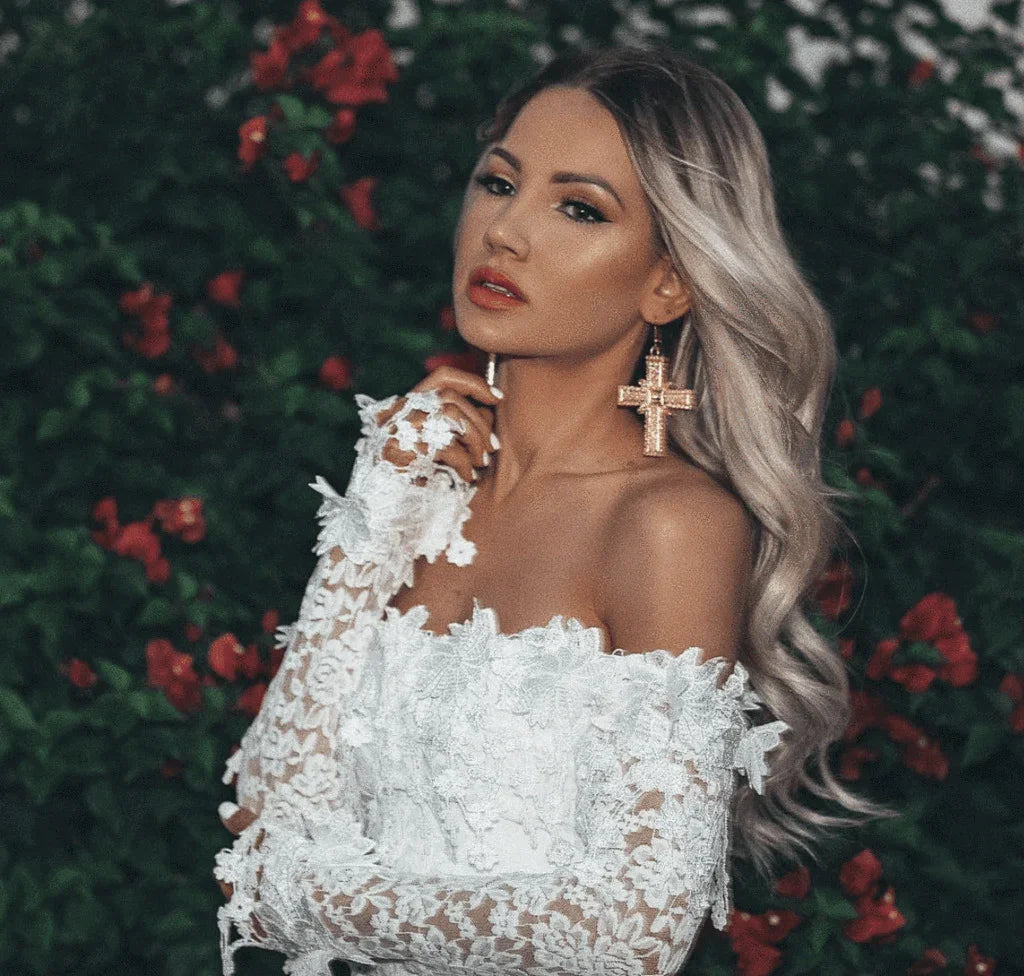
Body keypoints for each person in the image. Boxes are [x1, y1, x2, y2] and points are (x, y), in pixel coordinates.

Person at [213, 44, 895, 976]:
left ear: (670, 280)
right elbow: (250, 835)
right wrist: (368, 531)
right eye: (498, 183)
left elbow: (638, 932)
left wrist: (298, 895)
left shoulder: (672, 524)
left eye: (579, 208)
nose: (507, 232)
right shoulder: (413, 490)